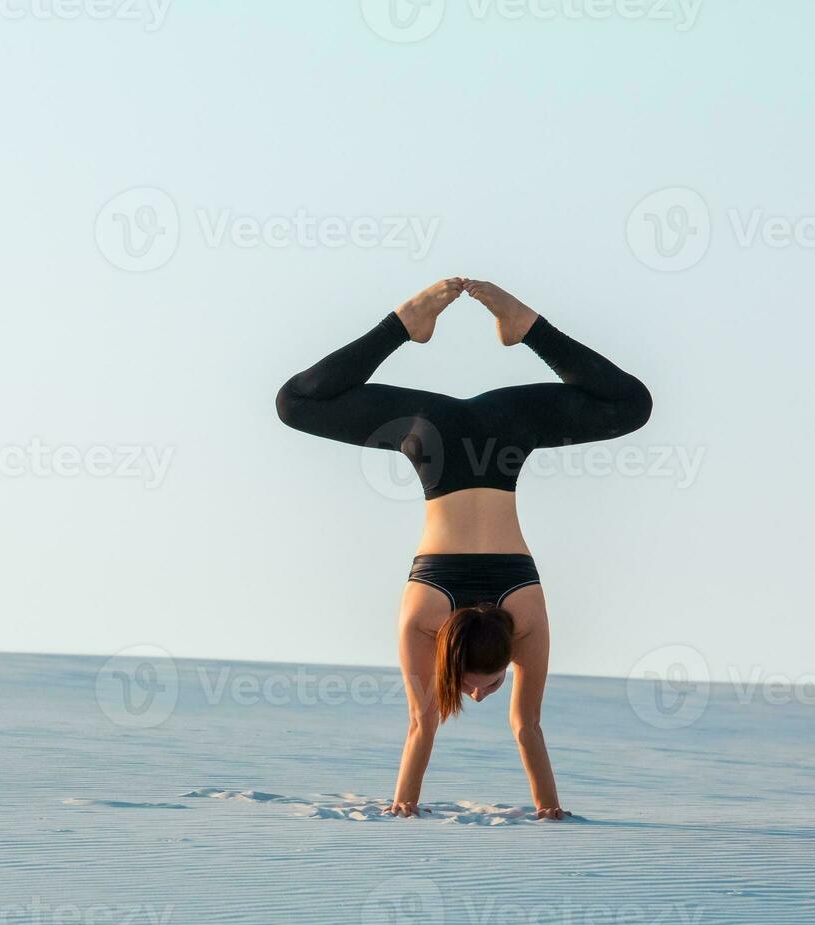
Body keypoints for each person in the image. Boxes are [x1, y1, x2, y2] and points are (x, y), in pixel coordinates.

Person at [275, 279, 652, 819]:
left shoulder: (524, 617)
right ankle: (455, 327)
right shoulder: (423, 619)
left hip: (505, 430)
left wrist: (543, 807)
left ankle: (467, 327)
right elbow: (432, 724)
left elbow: (523, 726)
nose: (478, 696)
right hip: (435, 436)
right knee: (296, 403)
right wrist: (406, 804)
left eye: (476, 687)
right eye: (491, 685)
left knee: (632, 404)